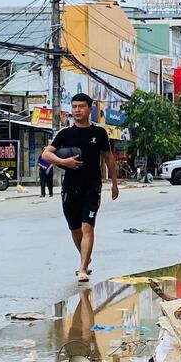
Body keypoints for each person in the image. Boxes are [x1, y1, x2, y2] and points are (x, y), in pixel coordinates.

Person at [46, 94, 117, 282]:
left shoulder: (99, 133)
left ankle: (83, 267)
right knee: (75, 228)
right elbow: (46, 154)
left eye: (81, 106)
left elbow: (109, 158)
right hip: (70, 188)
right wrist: (64, 162)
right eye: (74, 106)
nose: (77, 110)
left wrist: (115, 184)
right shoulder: (65, 134)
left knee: (88, 227)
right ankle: (85, 256)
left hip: (92, 187)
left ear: (89, 109)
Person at [37, 134, 56, 198]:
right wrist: (42, 166)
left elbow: (52, 162)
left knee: (49, 183)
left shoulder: (50, 155)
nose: (45, 150)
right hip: (42, 171)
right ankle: (43, 194)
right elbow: (38, 163)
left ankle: (51, 193)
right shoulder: (41, 156)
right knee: (42, 183)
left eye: (46, 149)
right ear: (42, 150)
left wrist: (48, 169)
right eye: (44, 149)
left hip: (49, 171)